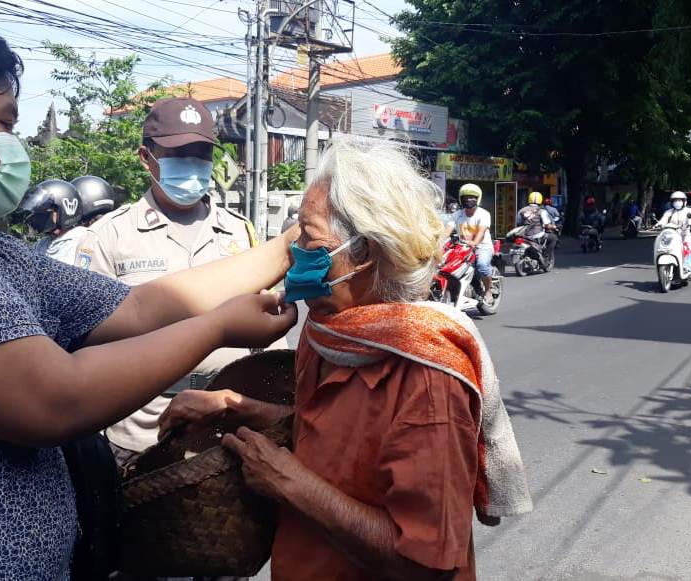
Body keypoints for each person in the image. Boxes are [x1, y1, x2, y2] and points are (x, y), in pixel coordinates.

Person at [0, 10, 298, 577]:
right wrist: (217, 328)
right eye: (1, 123)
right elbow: (51, 399)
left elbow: (138, 306)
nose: (11, 147)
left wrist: (291, 244)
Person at [159, 136, 532, 581]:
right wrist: (234, 407)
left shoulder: (427, 379)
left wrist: (290, 485)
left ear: (365, 253)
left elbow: (426, 564)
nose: (294, 262)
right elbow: (333, 436)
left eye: (310, 245)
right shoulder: (330, 335)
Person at [75, 97, 279, 462]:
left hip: (225, 422)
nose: (192, 164)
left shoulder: (240, 233)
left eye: (201, 154)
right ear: (145, 156)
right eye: (178, 153)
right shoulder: (110, 237)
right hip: (142, 429)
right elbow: (90, 341)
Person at [444, 183, 495, 302]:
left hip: (482, 246)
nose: (468, 200)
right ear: (461, 199)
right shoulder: (456, 215)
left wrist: (474, 242)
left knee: (482, 266)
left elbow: (482, 231)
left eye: (472, 197)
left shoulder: (483, 214)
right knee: (448, 268)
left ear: (478, 199)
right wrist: (437, 241)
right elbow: (447, 230)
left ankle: (488, 290)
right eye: (465, 197)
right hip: (462, 247)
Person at [21, 178, 84, 264]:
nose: (39, 217)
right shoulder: (41, 244)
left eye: (44, 211)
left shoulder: (82, 241)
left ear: (65, 210)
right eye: (38, 212)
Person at [656, 191, 691, 270]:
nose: (677, 202)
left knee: (688, 247)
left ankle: (688, 266)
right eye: (675, 201)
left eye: (679, 200)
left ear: (684, 201)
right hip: (672, 234)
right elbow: (664, 219)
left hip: (684, 234)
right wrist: (659, 224)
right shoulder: (669, 212)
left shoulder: (688, 211)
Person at [516, 191, 557, 262]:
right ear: (540, 200)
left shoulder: (521, 210)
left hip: (524, 235)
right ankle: (545, 255)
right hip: (537, 235)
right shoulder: (541, 211)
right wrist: (554, 227)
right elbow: (547, 225)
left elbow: (518, 222)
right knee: (554, 238)